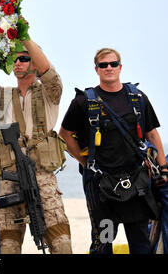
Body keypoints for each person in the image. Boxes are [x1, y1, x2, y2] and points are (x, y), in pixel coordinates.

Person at [0, 27, 72, 254]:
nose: (18, 62)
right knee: (9, 246)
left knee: (61, 243)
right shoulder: (2, 96)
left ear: (35, 62)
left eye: (24, 58)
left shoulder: (50, 93)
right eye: (14, 59)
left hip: (42, 178)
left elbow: (48, 71)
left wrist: (23, 35)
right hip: (9, 180)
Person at [59, 48, 168, 254]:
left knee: (140, 243)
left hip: (136, 184)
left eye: (113, 64)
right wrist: (85, 163)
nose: (108, 68)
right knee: (104, 242)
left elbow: (152, 134)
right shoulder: (84, 102)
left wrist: (163, 168)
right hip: (102, 188)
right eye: (103, 65)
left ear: (120, 67)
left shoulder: (137, 98)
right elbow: (64, 134)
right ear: (96, 69)